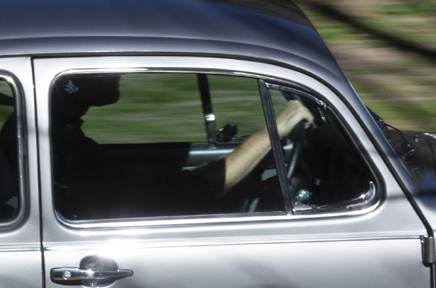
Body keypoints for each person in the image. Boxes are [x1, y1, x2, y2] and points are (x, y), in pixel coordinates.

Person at [50, 73, 312, 219]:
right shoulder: (67, 153)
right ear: (73, 83)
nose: (116, 72)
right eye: (102, 66)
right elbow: (185, 194)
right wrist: (271, 132)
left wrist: (252, 162)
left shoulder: (63, 140)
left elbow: (164, 187)